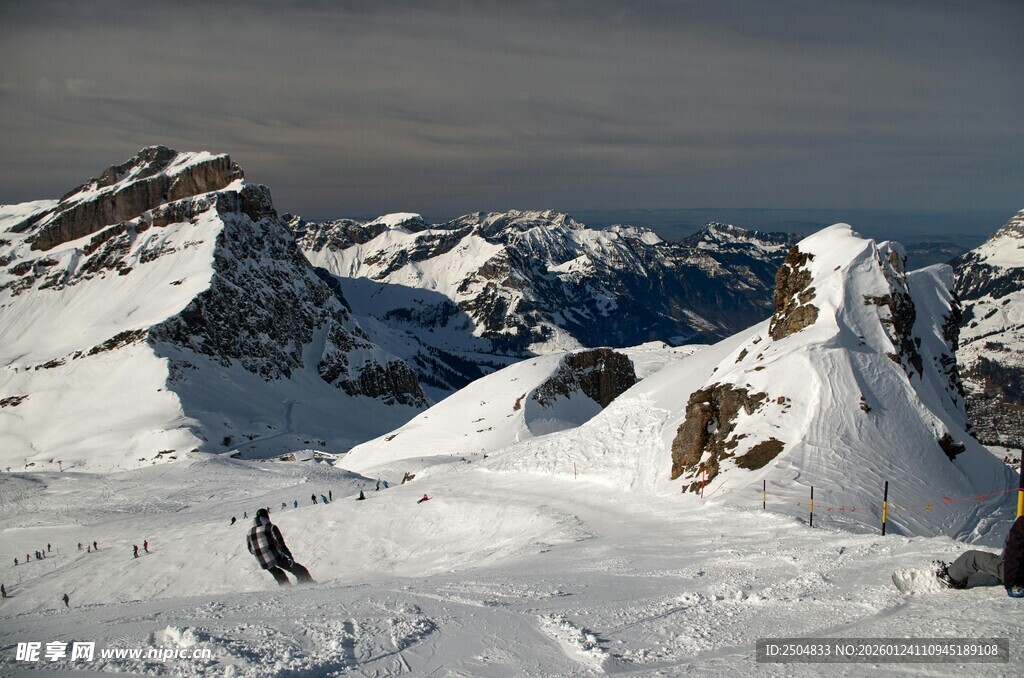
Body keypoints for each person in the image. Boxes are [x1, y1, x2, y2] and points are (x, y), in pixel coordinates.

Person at [937, 515, 1024, 596]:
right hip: (1016, 569)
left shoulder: (1022, 524)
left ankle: (949, 576)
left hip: (1015, 573)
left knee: (972, 557)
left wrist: (1012, 583)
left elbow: (1013, 555)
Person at [246, 508, 314, 586]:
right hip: (274, 556)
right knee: (298, 569)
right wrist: (289, 556)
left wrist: (261, 552)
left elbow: (250, 549)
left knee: (278, 574)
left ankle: (286, 588)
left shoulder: (249, 532)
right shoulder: (270, 527)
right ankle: (309, 584)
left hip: (262, 560)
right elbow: (280, 544)